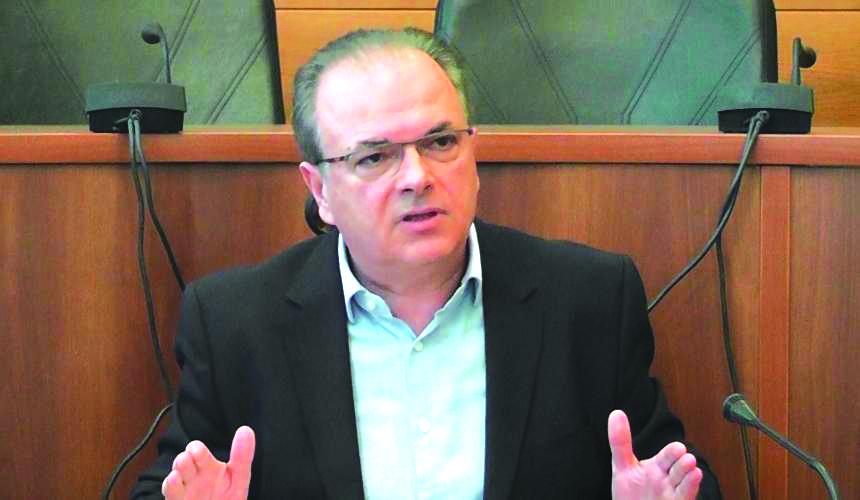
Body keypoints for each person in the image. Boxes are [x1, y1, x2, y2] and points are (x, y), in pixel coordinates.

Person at [132, 28, 720, 499]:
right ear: (320, 191)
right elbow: (172, 485)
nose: (418, 177)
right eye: (375, 157)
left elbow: (666, 474)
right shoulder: (234, 323)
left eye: (440, 143)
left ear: (473, 153)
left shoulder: (589, 300)